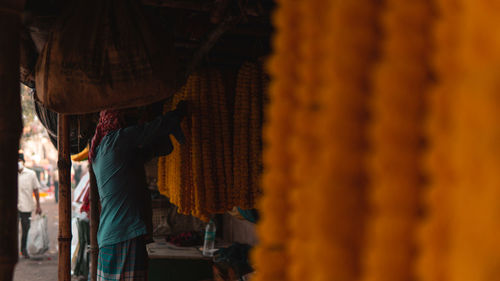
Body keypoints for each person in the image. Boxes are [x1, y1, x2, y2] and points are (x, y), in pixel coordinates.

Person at [90, 102, 186, 281]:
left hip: (111, 235)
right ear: (119, 121)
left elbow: (163, 148)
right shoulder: (116, 141)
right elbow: (151, 130)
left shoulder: (103, 149)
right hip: (124, 232)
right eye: (130, 119)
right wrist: (176, 115)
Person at [17, 153, 42, 259]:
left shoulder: (31, 174)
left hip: (26, 207)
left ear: (23, 162)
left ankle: (23, 250)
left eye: (19, 160)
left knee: (25, 229)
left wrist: (38, 206)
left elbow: (36, 190)